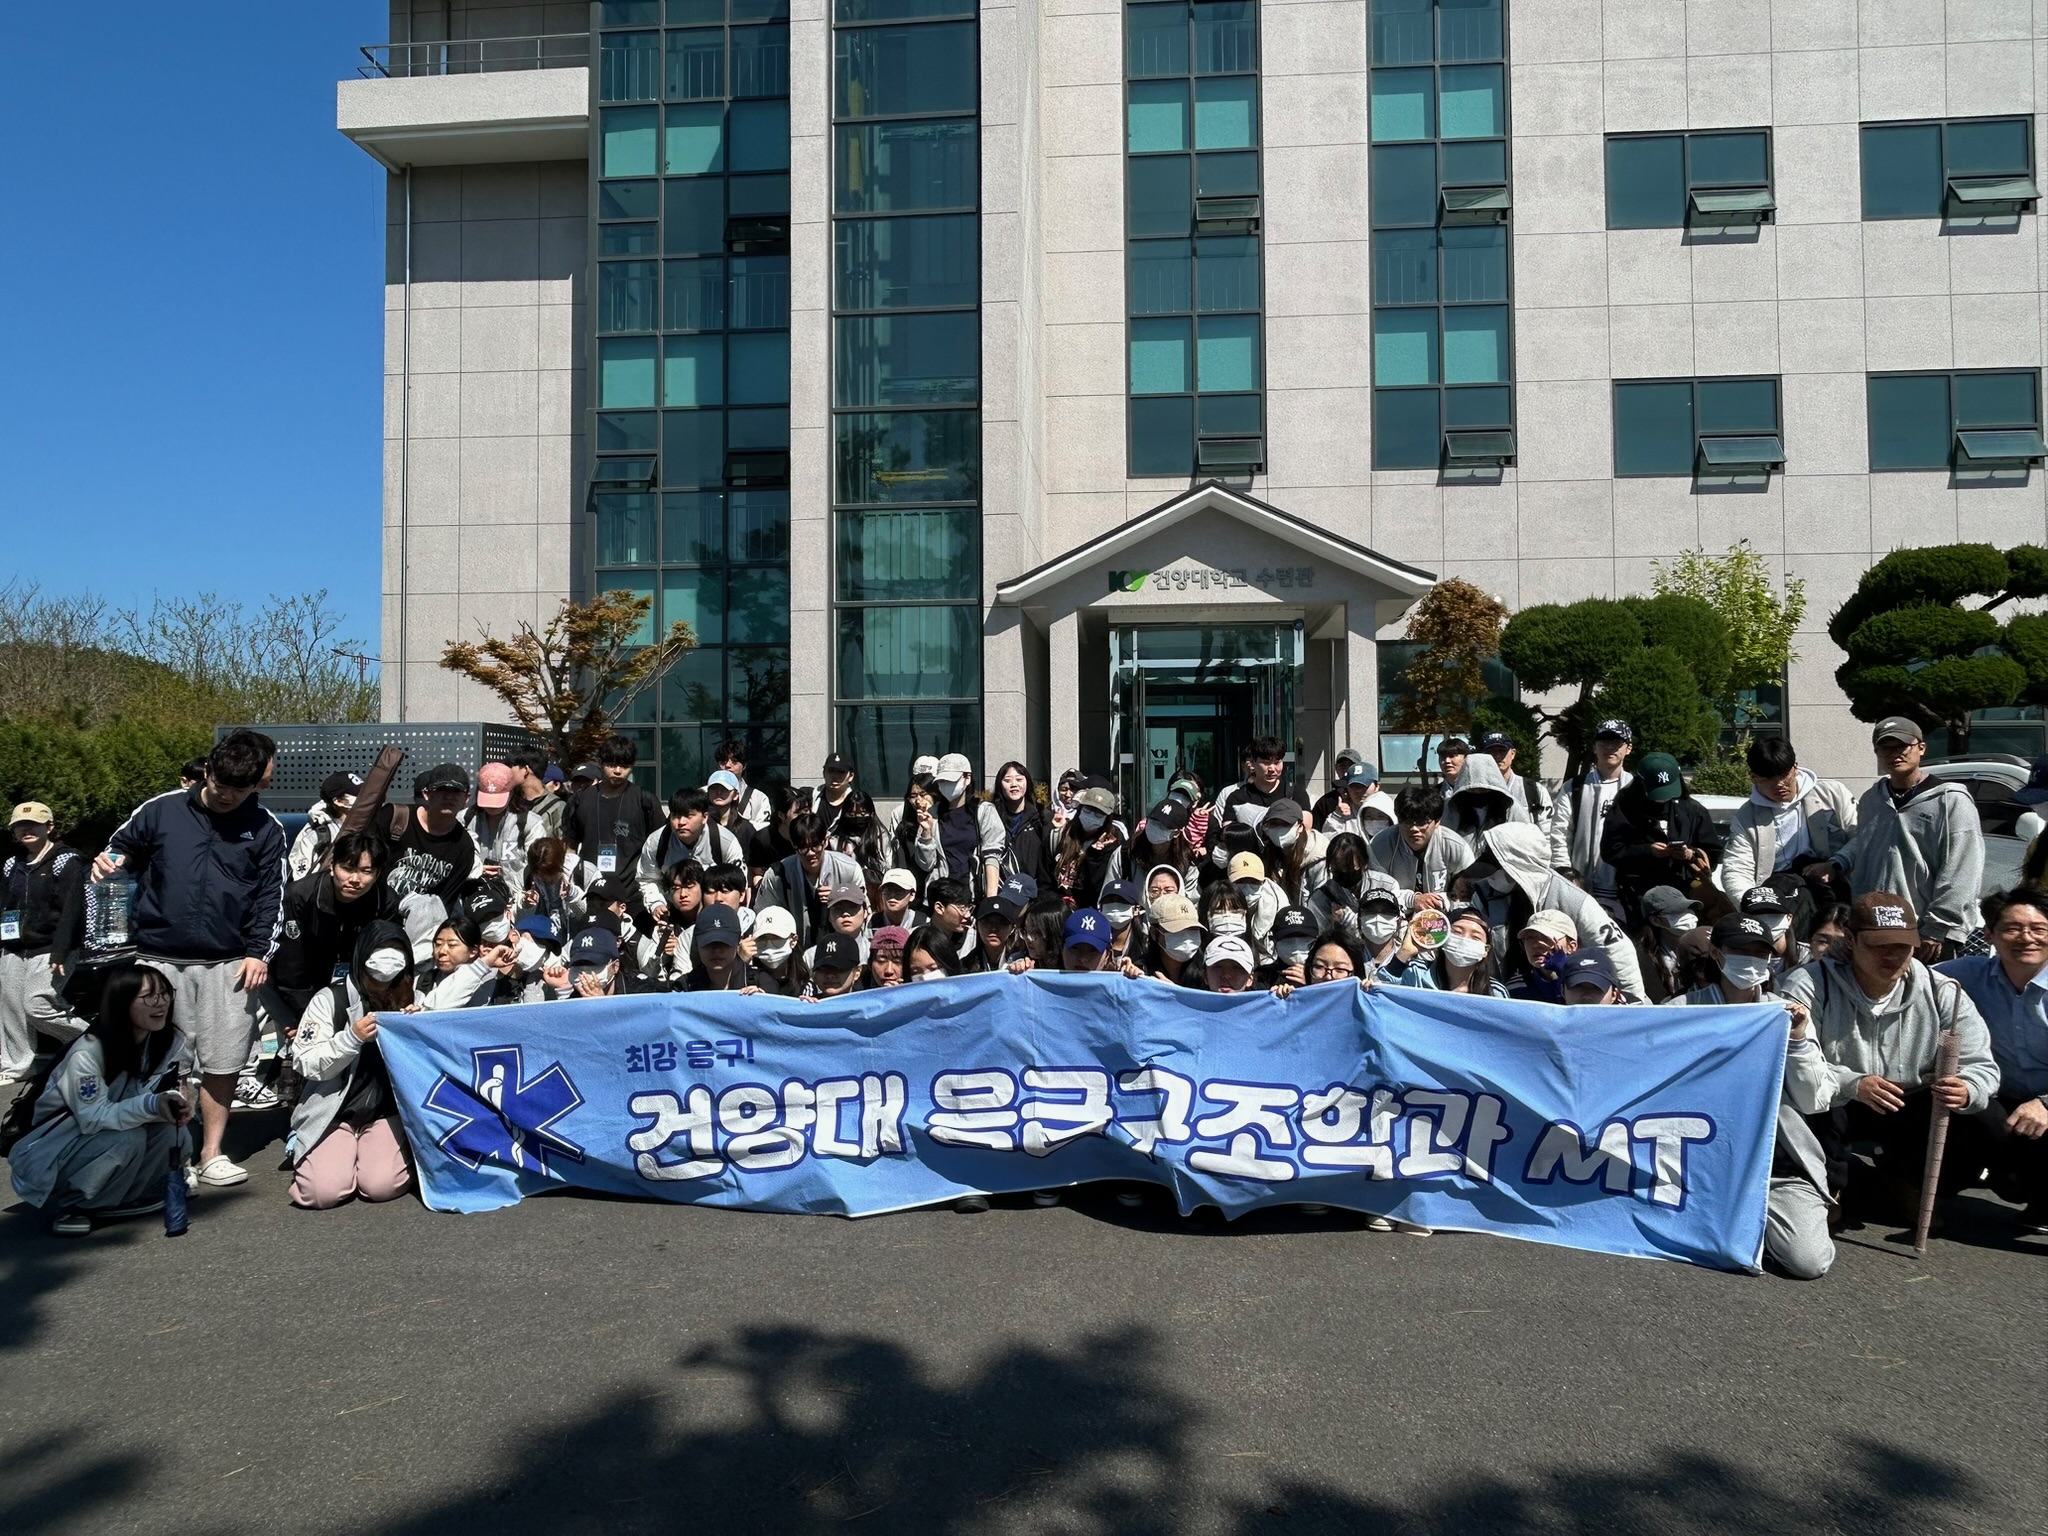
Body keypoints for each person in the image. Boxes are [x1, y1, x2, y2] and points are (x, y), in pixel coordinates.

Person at [96, 729, 287, 1189]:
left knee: (223, 1059)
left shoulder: (266, 827)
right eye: (220, 784)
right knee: (167, 1061)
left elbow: (272, 896)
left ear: (256, 785)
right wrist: (109, 861)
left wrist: (259, 952)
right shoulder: (161, 809)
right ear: (208, 771)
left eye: (239, 789)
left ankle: (211, 1153)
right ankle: (175, 1152)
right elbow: (120, 848)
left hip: (230, 962)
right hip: (158, 956)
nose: (226, 796)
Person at [1778, 892, 2000, 1224]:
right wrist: (1853, 1083)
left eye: (1902, 946)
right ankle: (1826, 1185)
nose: (1891, 955)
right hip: (1838, 1097)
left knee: (1985, 1120)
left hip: (1909, 1098)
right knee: (1804, 1099)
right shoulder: (1810, 983)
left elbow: (1980, 1064)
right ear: (1850, 940)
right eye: (1878, 945)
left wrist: (1968, 1088)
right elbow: (1790, 1061)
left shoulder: (1942, 991)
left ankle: (1908, 1179)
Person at [8, 964, 193, 1236]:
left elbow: (151, 1094)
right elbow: (93, 1118)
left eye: (165, 993)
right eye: (148, 996)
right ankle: (76, 1205)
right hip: (51, 1151)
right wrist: (153, 1105)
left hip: (94, 1138)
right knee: (128, 1139)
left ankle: (124, 1197)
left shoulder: (164, 1040)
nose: (161, 1002)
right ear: (120, 1002)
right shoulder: (87, 1052)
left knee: (171, 1132)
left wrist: (171, 1102)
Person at [1817, 718, 1984, 962]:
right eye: (1886, 747)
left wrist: (1937, 928)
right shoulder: (1872, 800)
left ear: (1921, 748)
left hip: (1926, 934)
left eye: (1902, 746)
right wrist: (1837, 862)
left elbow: (1963, 868)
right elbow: (1865, 843)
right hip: (1875, 928)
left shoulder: (1950, 800)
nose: (1895, 753)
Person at [1936, 887, 2048, 1227]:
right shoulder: (1967, 974)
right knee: (1962, 1103)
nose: (2026, 938)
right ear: (1989, 935)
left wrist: (2045, 1103)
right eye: (2012, 928)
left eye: (2039, 929)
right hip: (2000, 1101)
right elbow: (1904, 972)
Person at [1476, 823, 1647, 1002]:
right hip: (1511, 994)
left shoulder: (1573, 900)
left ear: (1519, 862)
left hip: (1572, 995)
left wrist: (1633, 1004)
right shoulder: (1484, 894)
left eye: (1498, 865)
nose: (1491, 874)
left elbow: (1619, 952)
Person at [3, 801, 87, 1083]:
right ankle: (17, 1067)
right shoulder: (12, 864)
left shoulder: (67, 861)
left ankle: (97, 1041)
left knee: (36, 1005)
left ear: (49, 827)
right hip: (14, 948)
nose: (26, 829)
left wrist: (60, 952)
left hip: (51, 947)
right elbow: (4, 906)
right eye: (20, 826)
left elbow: (72, 911)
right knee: (11, 1009)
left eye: (33, 824)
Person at [1718, 736, 1856, 902]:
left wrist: (1836, 863)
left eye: (1784, 775)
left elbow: (1862, 836)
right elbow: (1737, 868)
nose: (1779, 784)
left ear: (1795, 768)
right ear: (1753, 777)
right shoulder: (1746, 817)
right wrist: (1754, 904)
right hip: (1777, 892)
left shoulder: (1832, 794)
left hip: (1833, 885)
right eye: (1768, 779)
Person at [1600, 751, 1723, 924]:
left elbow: (1713, 852)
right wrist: (1647, 851)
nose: (1663, 799)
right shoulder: (1625, 808)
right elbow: (1610, 851)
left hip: (1685, 894)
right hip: (1639, 895)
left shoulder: (1693, 809)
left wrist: (1690, 854)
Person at [1549, 718, 1634, 918]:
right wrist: (1566, 874)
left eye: (1616, 742)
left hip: (1622, 891)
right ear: (1594, 747)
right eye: (1603, 741)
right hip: (1579, 888)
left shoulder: (1636, 789)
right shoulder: (1575, 787)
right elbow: (1560, 834)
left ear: (1628, 748)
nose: (1609, 748)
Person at [383, 763, 485, 908]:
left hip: (422, 918)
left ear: (467, 798)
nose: (448, 797)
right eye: (441, 790)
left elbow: (445, 902)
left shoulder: (464, 846)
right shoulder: (394, 818)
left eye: (456, 791)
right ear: (427, 794)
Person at [563, 736, 664, 881]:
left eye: (624, 766)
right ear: (600, 763)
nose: (618, 771)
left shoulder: (645, 801)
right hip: (589, 885)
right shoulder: (579, 800)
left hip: (633, 885)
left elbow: (658, 844)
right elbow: (570, 847)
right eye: (611, 765)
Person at [638, 790, 745, 919]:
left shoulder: (725, 841)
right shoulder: (656, 842)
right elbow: (647, 878)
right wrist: (656, 903)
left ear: (705, 817)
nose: (681, 822)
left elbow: (737, 883)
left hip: (714, 912)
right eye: (675, 816)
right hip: (671, 910)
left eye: (689, 816)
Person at [912, 753, 1006, 898]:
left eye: (951, 780)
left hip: (974, 894)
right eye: (942, 781)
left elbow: (992, 856)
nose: (946, 785)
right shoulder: (932, 814)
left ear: (967, 778)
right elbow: (926, 864)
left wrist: (991, 898)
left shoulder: (983, 811)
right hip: (941, 896)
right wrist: (926, 833)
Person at [1209, 737, 1309, 871]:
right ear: (1253, 763)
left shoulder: (1296, 793)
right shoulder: (1237, 798)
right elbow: (1230, 837)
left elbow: (1306, 828)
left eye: (1277, 762)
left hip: (1289, 867)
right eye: (1266, 763)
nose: (1272, 769)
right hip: (1250, 868)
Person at [1368, 786, 1474, 907]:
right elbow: (1374, 890)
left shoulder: (1455, 846)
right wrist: (1411, 900)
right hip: (1395, 911)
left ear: (1437, 821)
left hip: (1445, 911)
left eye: (1421, 822)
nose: (1414, 829)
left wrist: (1440, 901)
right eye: (1407, 822)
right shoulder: (1380, 845)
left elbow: (1470, 892)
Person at [1381, 907, 1507, 997]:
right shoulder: (1415, 973)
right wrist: (1404, 953)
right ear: (1443, 938)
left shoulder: (1495, 993)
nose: (1464, 940)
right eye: (1457, 932)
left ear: (1486, 950)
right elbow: (1379, 994)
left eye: (1475, 937)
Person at [465, 763, 543, 899]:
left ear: (512, 793)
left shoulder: (529, 823)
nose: (492, 806)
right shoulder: (465, 820)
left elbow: (538, 865)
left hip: (517, 899)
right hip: (472, 897)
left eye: (497, 799)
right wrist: (475, 870)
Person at [1051, 780, 1127, 907]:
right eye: (1088, 809)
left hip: (1091, 909)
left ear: (1107, 818)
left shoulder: (1113, 843)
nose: (1092, 815)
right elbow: (1046, 879)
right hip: (1059, 908)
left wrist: (1095, 856)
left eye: (1099, 813)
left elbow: (1099, 887)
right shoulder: (1062, 835)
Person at [1634, 885, 1714, 1003]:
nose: (1688, 915)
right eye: (1677, 912)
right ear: (1655, 920)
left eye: (1689, 909)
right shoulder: (1642, 958)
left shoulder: (1706, 945)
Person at [1681, 914, 1781, 1007]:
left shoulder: (1780, 1009)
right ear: (1714, 952)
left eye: (1761, 953)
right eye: (1740, 950)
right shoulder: (1682, 1008)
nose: (1751, 959)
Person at [287, 771, 363, 880]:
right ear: (338, 801)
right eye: (357, 794)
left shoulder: (370, 826)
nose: (365, 797)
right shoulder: (318, 836)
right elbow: (301, 883)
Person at [990, 760, 1053, 886]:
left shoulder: (1041, 817)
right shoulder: (992, 817)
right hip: (1002, 889)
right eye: (1007, 780)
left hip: (1033, 889)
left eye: (1019, 779)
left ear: (1027, 783)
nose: (1014, 784)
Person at [681, 904, 765, 993]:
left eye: (724, 943)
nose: (717, 950)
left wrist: (761, 999)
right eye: (708, 943)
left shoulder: (762, 982)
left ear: (738, 941)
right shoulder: (683, 987)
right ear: (696, 943)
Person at [1443, 752, 1528, 839]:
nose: (1478, 793)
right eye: (1472, 790)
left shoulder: (1511, 808)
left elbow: (1525, 838)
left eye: (1483, 789)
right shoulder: (1450, 809)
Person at [1480, 731, 1551, 823]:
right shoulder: (1476, 791)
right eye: (1490, 752)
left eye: (1502, 751)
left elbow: (1545, 827)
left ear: (1513, 753)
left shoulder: (1534, 789)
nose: (1497, 756)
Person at [1137, 893, 1204, 987]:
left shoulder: (1209, 971)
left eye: (1192, 929)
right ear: (1154, 933)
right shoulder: (1141, 972)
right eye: (1177, 929)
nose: (1186, 936)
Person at [504, 746, 567, 842]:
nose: (505, 772)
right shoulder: (507, 803)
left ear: (525, 770)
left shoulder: (557, 807)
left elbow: (562, 844)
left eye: (510, 767)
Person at [712, 738, 773, 829]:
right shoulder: (703, 794)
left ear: (744, 766)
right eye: (723, 761)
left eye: (734, 761)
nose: (728, 765)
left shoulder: (759, 798)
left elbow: (761, 832)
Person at [815, 752, 871, 844]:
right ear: (824, 773)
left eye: (841, 772)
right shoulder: (811, 798)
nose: (835, 776)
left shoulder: (858, 803)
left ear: (851, 776)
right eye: (831, 770)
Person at [749, 906, 806, 996]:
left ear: (793, 940)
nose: (769, 947)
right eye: (763, 939)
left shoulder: (805, 982)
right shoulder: (746, 976)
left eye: (777, 939)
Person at [1309, 750, 1376, 826]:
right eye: (1342, 766)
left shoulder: (1375, 800)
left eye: (1351, 766)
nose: (1346, 771)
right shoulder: (1325, 802)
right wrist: (1336, 816)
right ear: (1336, 768)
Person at [1557, 949, 1626, 1005]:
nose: (1586, 996)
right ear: (1563, 991)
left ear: (1614, 995)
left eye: (1596, 988)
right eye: (1578, 986)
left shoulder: (1630, 1018)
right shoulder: (1550, 1017)